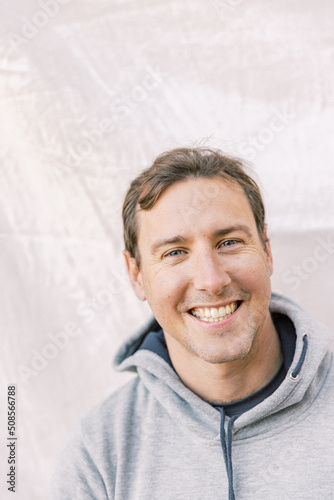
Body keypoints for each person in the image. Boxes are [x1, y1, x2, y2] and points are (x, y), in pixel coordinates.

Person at [49, 147, 334, 500]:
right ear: (136, 275)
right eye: (175, 252)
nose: (211, 280)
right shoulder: (98, 454)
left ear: (266, 251)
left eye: (229, 242)